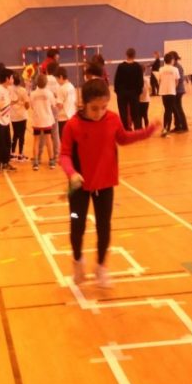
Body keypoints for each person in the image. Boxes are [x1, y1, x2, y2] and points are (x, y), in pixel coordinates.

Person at [60, 79, 158, 287]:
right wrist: (72, 173)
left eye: (104, 107)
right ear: (84, 104)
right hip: (78, 187)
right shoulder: (72, 125)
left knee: (104, 227)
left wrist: (146, 132)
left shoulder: (112, 119)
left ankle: (101, 267)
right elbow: (65, 155)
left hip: (105, 184)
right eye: (94, 108)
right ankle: (78, 261)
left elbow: (123, 138)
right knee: (76, 225)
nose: (99, 112)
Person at [29, 73, 56, 171]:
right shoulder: (49, 93)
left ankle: (36, 162)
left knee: (36, 140)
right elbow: (53, 105)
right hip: (47, 120)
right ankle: (51, 161)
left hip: (37, 120)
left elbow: (31, 106)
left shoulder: (33, 94)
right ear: (46, 83)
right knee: (48, 140)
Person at [113, 47, 143, 131]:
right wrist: (138, 92)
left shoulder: (121, 66)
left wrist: (117, 91)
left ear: (126, 55)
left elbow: (117, 80)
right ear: (134, 55)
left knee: (123, 112)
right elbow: (140, 81)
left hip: (122, 93)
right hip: (134, 93)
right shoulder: (137, 66)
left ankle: (125, 129)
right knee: (136, 112)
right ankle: (138, 129)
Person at [158, 52, 180, 137]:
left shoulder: (161, 69)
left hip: (163, 92)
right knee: (169, 111)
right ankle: (167, 130)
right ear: (171, 60)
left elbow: (159, 80)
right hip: (171, 92)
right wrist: (173, 87)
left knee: (166, 110)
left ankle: (164, 128)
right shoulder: (175, 69)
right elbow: (177, 81)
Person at [9, 72, 29, 161]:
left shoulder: (9, 89)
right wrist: (25, 105)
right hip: (22, 116)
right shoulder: (23, 90)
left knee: (15, 134)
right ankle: (20, 154)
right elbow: (27, 105)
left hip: (13, 116)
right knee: (21, 135)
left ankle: (12, 153)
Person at [55, 66, 76, 138]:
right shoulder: (71, 86)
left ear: (61, 77)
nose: (57, 81)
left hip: (63, 119)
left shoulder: (61, 89)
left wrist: (54, 102)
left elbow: (60, 105)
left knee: (64, 140)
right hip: (72, 116)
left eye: (57, 79)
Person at [170, 51, 188, 133]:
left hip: (178, 90)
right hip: (175, 90)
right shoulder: (174, 66)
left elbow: (179, 80)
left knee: (178, 109)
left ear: (174, 58)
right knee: (175, 109)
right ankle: (177, 126)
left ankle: (184, 127)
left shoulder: (178, 67)